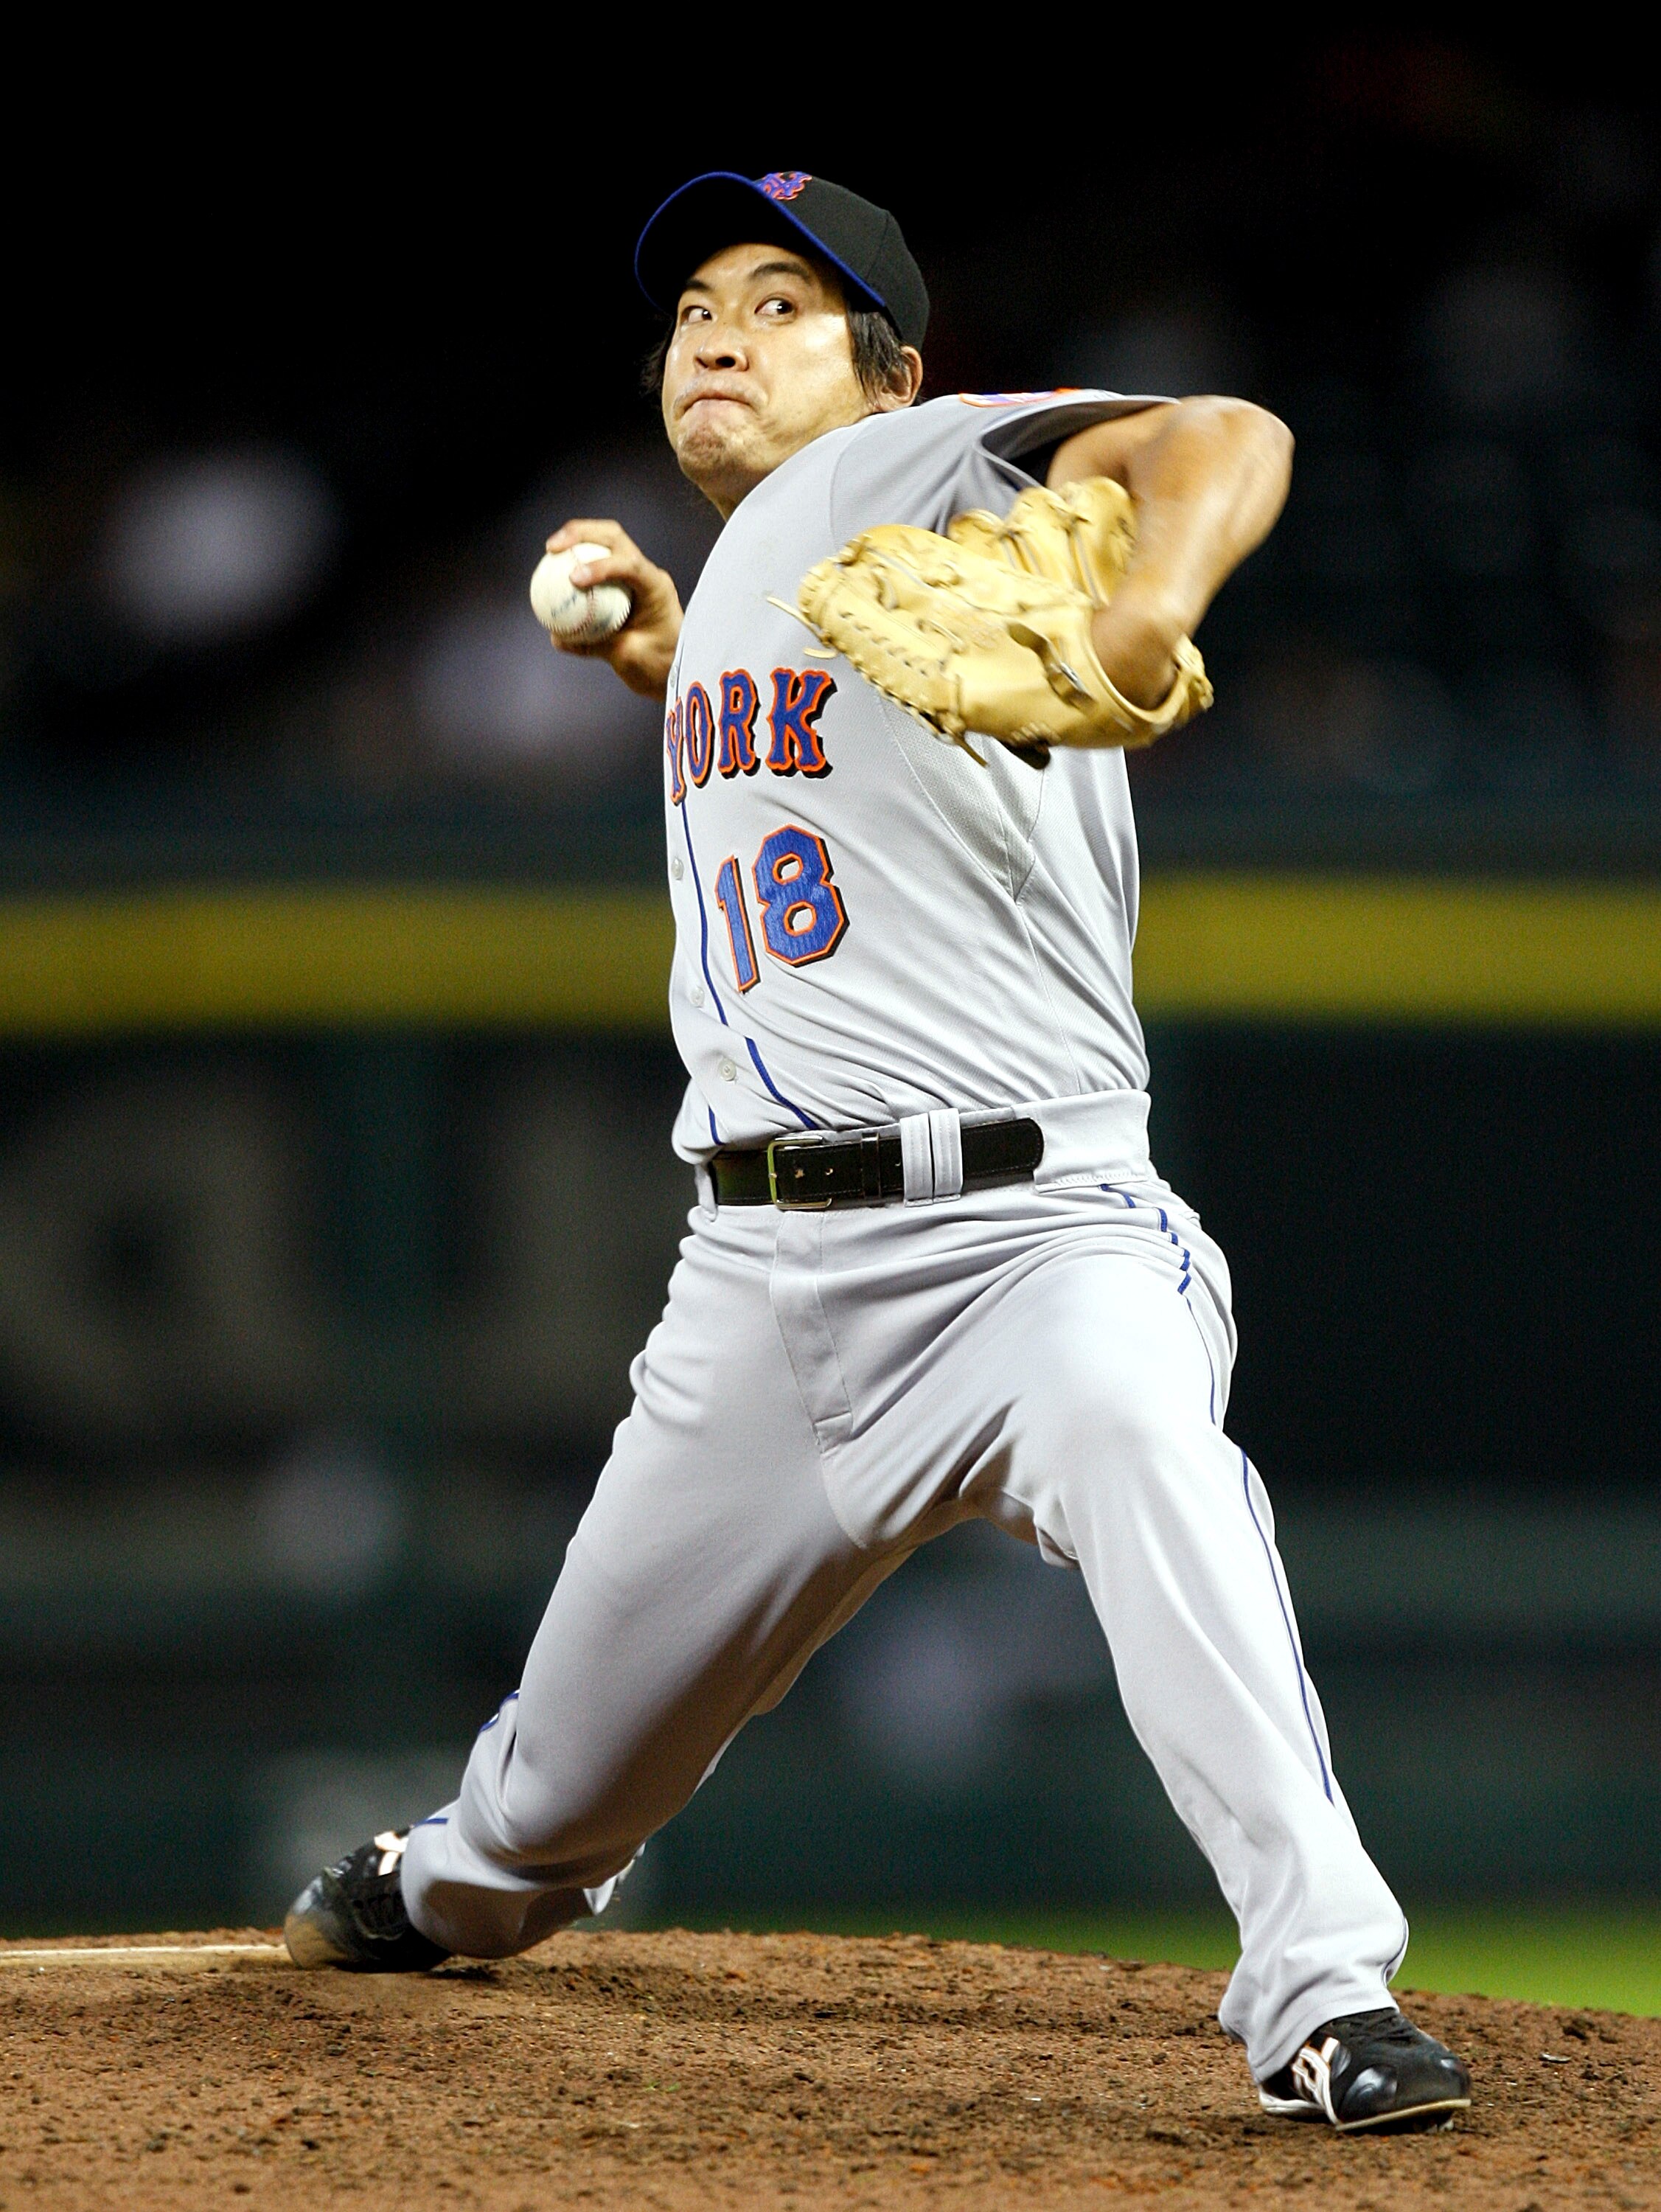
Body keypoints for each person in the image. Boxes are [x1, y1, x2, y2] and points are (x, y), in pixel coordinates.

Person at [285, 170, 1471, 2137]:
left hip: (1036, 1236)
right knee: (546, 1811)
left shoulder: (923, 466)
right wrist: (680, 664)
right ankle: (452, 1882)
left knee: (1152, 1457)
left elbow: (1224, 437)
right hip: (760, 1291)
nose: (721, 335)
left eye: (780, 304)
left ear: (893, 366)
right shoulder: (771, 567)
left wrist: (1152, 593)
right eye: (692, 315)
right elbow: (846, 777)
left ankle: (1324, 1987)